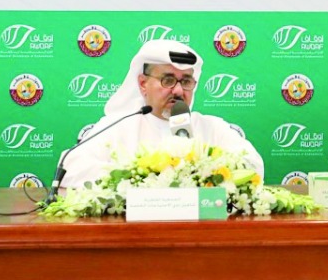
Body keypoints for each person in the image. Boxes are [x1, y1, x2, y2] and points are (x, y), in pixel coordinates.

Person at [60, 39, 264, 187]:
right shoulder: (117, 126)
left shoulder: (211, 127)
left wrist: (206, 172)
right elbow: (70, 169)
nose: (177, 90)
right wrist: (142, 177)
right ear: (142, 84)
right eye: (167, 80)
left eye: (185, 81)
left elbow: (253, 166)